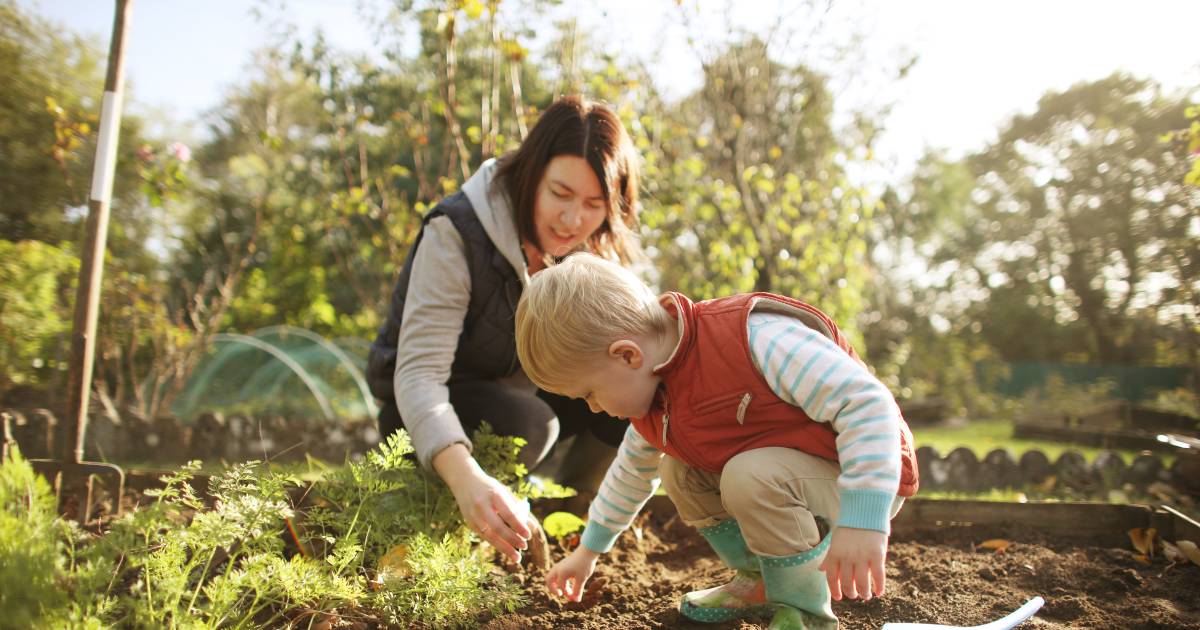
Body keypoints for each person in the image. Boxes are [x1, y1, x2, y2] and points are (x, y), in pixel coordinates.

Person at [514, 253, 919, 629]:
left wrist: (863, 518)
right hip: (791, 477)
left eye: (589, 394)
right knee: (677, 471)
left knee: (749, 475)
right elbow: (630, 475)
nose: (596, 409)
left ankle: (804, 610)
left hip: (862, 474)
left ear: (627, 356)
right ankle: (761, 580)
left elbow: (867, 406)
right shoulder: (654, 402)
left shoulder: (755, 338)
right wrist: (588, 553)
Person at [366, 96, 641, 564]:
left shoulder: (588, 248)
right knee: (529, 424)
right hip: (426, 411)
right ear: (531, 173)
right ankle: (468, 513)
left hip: (522, 391)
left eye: (594, 204)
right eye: (560, 194)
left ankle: (576, 518)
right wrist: (467, 478)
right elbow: (417, 377)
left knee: (626, 388)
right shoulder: (456, 233)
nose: (573, 220)